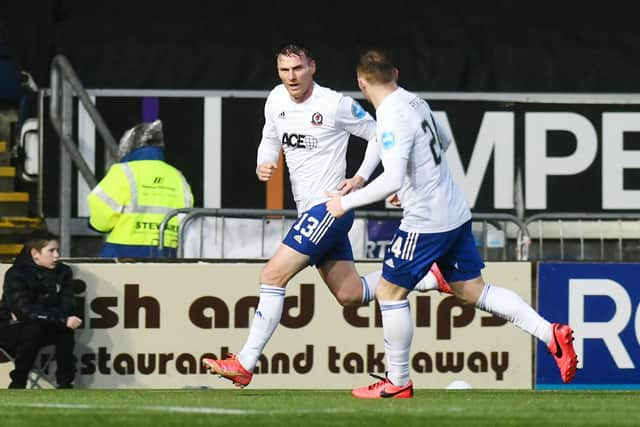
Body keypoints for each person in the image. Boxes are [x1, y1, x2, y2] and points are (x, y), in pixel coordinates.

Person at [326, 49, 578, 399]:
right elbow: (442, 142)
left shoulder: (391, 115)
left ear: (360, 82)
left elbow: (394, 175)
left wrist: (345, 203)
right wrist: (377, 176)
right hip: (454, 213)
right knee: (475, 291)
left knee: (389, 292)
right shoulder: (414, 102)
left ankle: (397, 382)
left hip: (427, 221)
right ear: (395, 73)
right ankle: (550, 332)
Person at [202, 42, 448, 387]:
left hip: (330, 208)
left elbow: (379, 134)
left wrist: (361, 177)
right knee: (349, 294)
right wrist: (265, 159)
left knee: (272, 275)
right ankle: (428, 277)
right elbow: (269, 137)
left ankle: (245, 362)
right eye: (285, 70)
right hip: (310, 212)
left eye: (298, 68)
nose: (292, 77)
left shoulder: (334, 104)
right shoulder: (276, 100)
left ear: (312, 67)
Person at [87, 119, 194, 258]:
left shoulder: (123, 172)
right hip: (168, 251)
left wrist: (95, 224)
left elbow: (101, 210)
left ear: (129, 147)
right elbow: (187, 212)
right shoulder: (177, 176)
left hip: (123, 251)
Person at [0, 230, 82, 389]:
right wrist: (59, 316)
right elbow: (24, 310)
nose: (57, 255)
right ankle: (18, 382)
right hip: (9, 329)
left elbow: (68, 304)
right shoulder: (16, 273)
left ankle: (65, 384)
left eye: (57, 250)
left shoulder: (63, 271)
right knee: (34, 327)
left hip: (44, 326)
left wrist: (56, 317)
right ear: (35, 253)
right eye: (51, 251)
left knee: (64, 331)